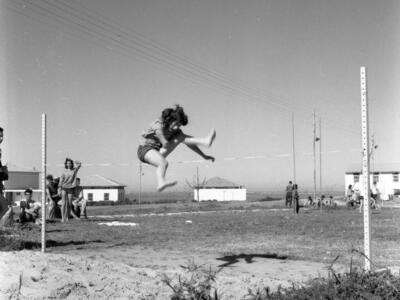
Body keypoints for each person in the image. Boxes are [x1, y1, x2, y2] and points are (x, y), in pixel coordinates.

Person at [137, 105, 216, 192]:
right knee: (163, 163)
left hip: (158, 151)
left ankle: (205, 142)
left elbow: (190, 144)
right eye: (176, 124)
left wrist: (203, 156)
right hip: (145, 150)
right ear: (170, 120)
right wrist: (164, 141)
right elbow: (158, 132)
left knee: (180, 136)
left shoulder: (176, 131)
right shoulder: (159, 123)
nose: (177, 127)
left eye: (179, 125)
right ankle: (161, 182)